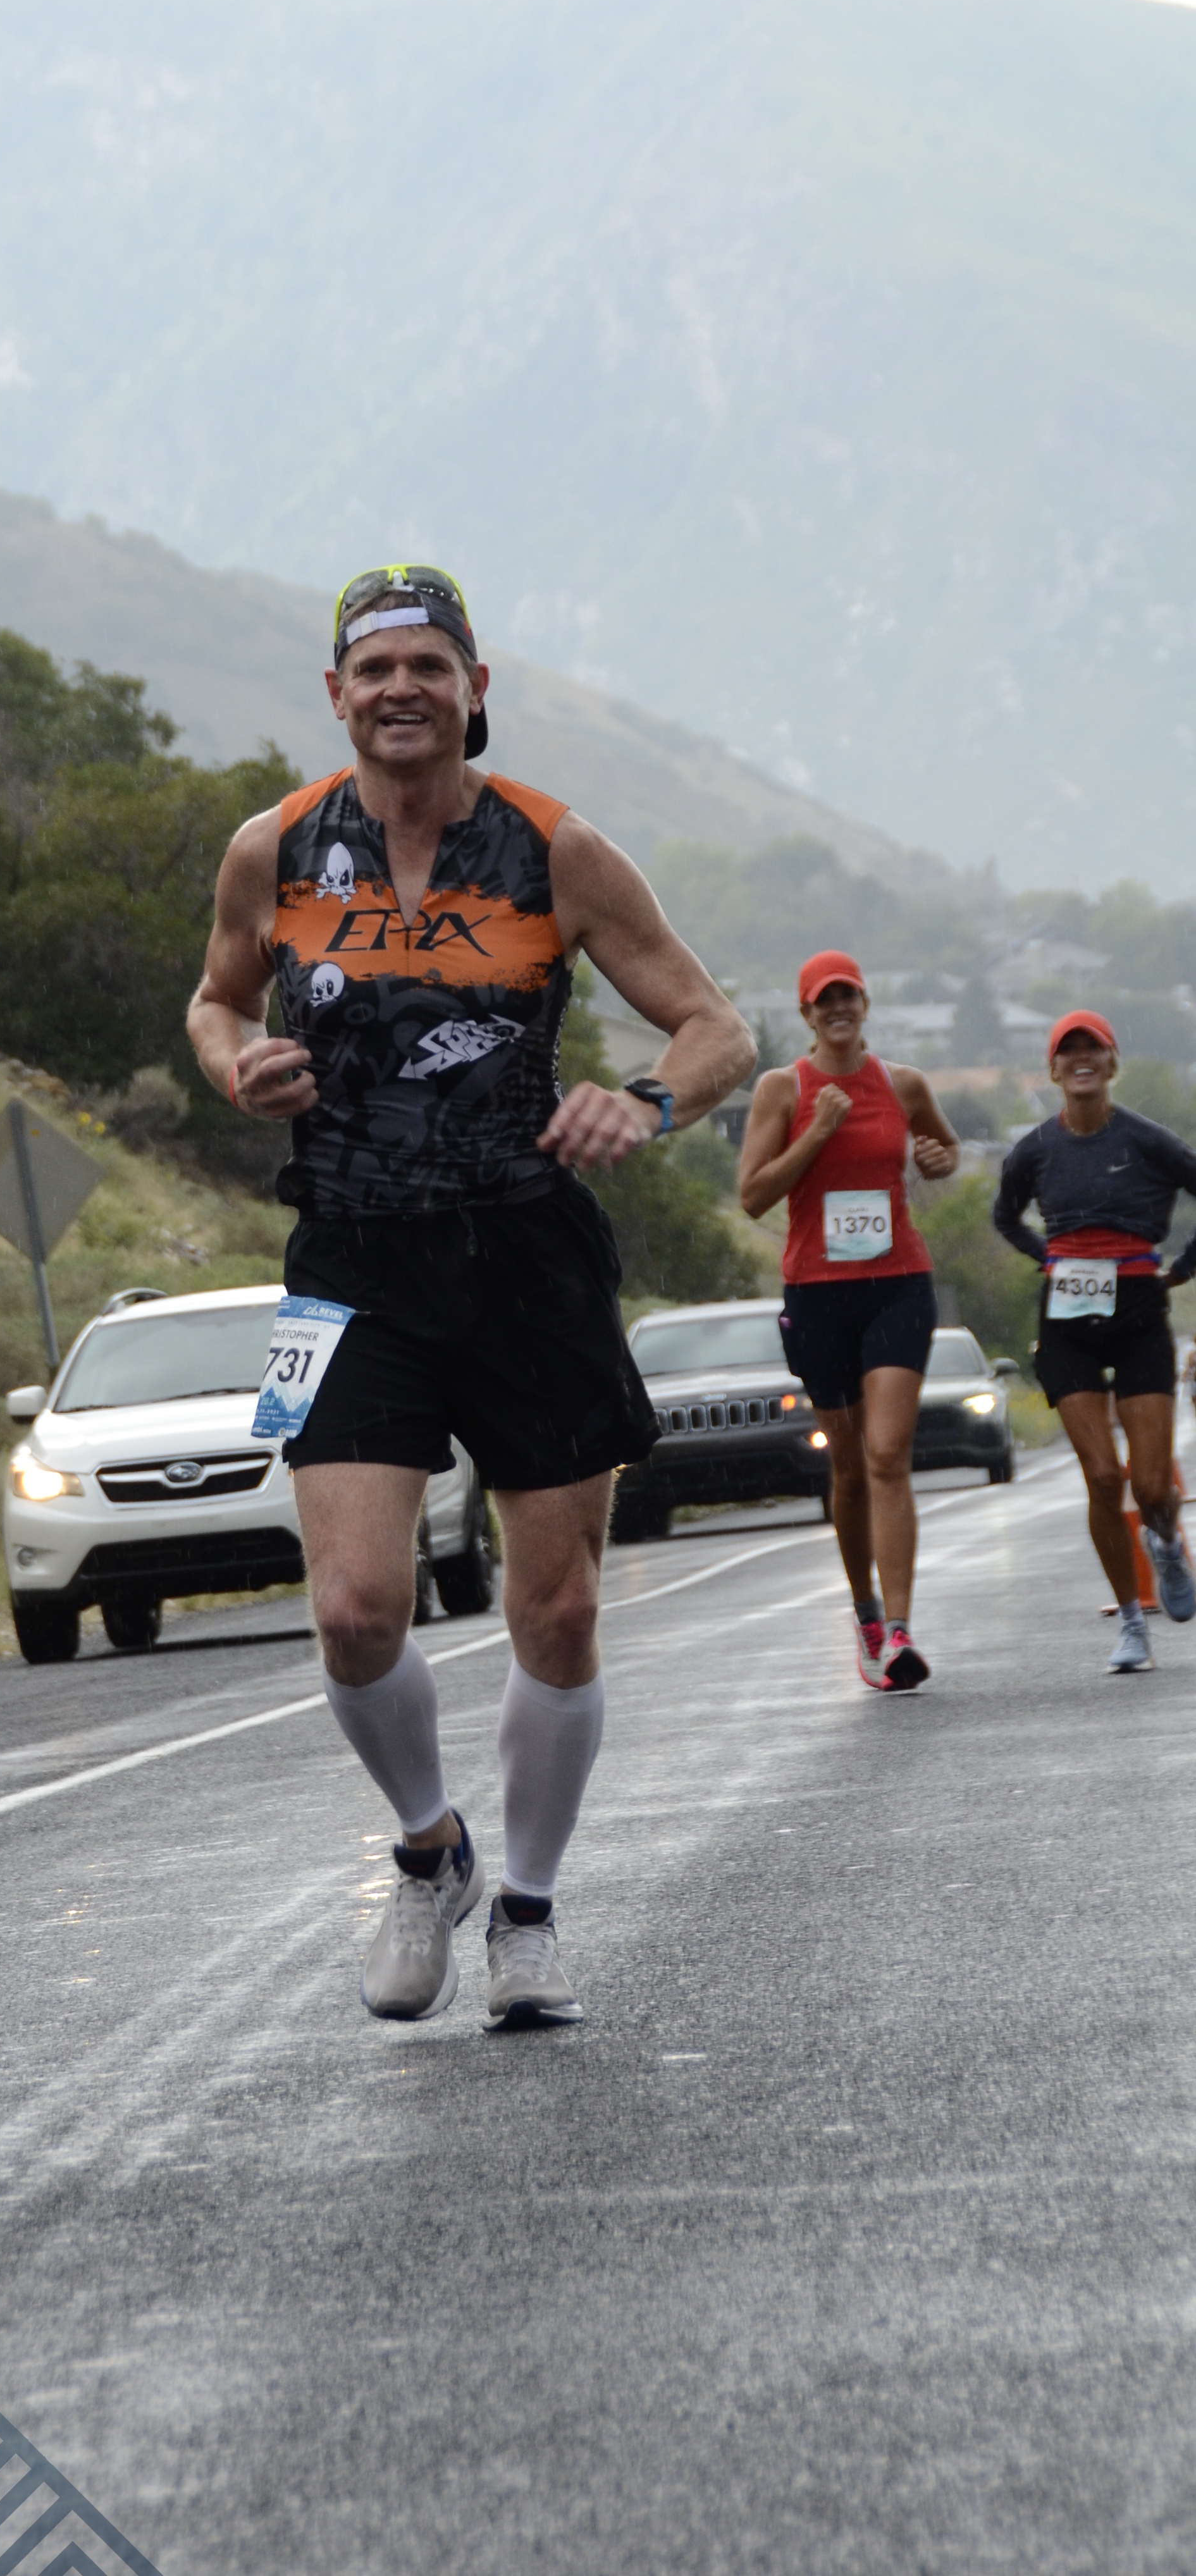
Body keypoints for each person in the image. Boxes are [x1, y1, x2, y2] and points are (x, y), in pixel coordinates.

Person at [187, 564, 753, 2032]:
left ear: (473, 689)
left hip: (527, 1258)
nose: (401, 690)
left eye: (428, 667)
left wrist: (647, 1100)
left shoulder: (554, 850)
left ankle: (530, 1914)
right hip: (349, 1260)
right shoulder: (274, 849)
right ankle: (430, 1848)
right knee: (352, 1606)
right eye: (374, 669)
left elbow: (715, 1028)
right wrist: (234, 1064)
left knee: (556, 1608)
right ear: (336, 695)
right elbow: (215, 998)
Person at [737, 952, 958, 1692]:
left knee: (888, 1451)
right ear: (807, 1013)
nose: (838, 1008)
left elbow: (945, 1149)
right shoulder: (784, 1087)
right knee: (849, 1466)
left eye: (849, 996)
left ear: (865, 1003)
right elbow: (752, 1196)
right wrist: (816, 1132)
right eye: (823, 1000)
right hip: (818, 1293)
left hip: (898, 1283)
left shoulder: (903, 1083)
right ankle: (865, 1612)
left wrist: (938, 1158)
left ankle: (899, 1630)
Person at [993, 1011, 1196, 1673]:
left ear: (1111, 1064)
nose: (1081, 1059)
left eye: (1094, 1049)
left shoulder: (1146, 1139)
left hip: (1138, 1311)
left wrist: (1182, 1268)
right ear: (1053, 1069)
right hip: (1067, 1319)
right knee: (1104, 1477)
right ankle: (1133, 1622)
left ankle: (1166, 1541)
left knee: (1151, 1483)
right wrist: (1048, 1258)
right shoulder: (1033, 1149)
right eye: (1068, 1050)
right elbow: (1005, 1216)